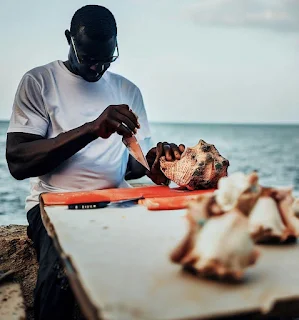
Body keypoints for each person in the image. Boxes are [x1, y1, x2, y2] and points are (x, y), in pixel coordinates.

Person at [5, 5, 185, 320]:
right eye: (88, 58)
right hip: (53, 203)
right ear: (69, 39)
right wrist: (91, 130)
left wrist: (158, 161)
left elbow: (134, 165)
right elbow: (18, 162)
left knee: (169, 257)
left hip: (117, 199)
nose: (97, 68)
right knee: (61, 273)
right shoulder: (39, 81)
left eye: (107, 59)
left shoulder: (128, 90)